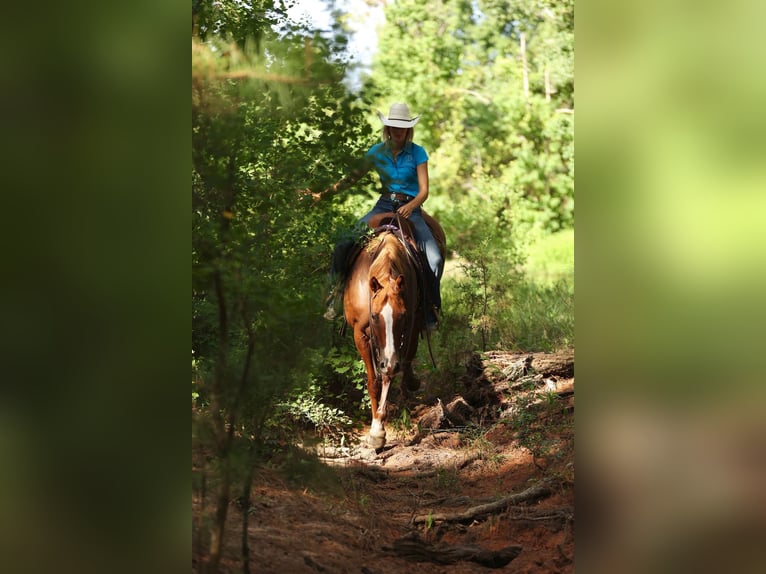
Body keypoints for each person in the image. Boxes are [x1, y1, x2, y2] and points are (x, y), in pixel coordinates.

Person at [309, 103, 443, 330]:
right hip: (383, 206)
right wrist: (323, 194)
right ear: (387, 128)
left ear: (408, 130)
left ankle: (430, 307)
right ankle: (336, 295)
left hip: (411, 208)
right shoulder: (376, 152)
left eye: (402, 127)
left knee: (435, 258)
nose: (397, 131)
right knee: (344, 241)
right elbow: (351, 178)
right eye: (393, 126)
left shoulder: (418, 152)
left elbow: (424, 191)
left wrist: (411, 206)